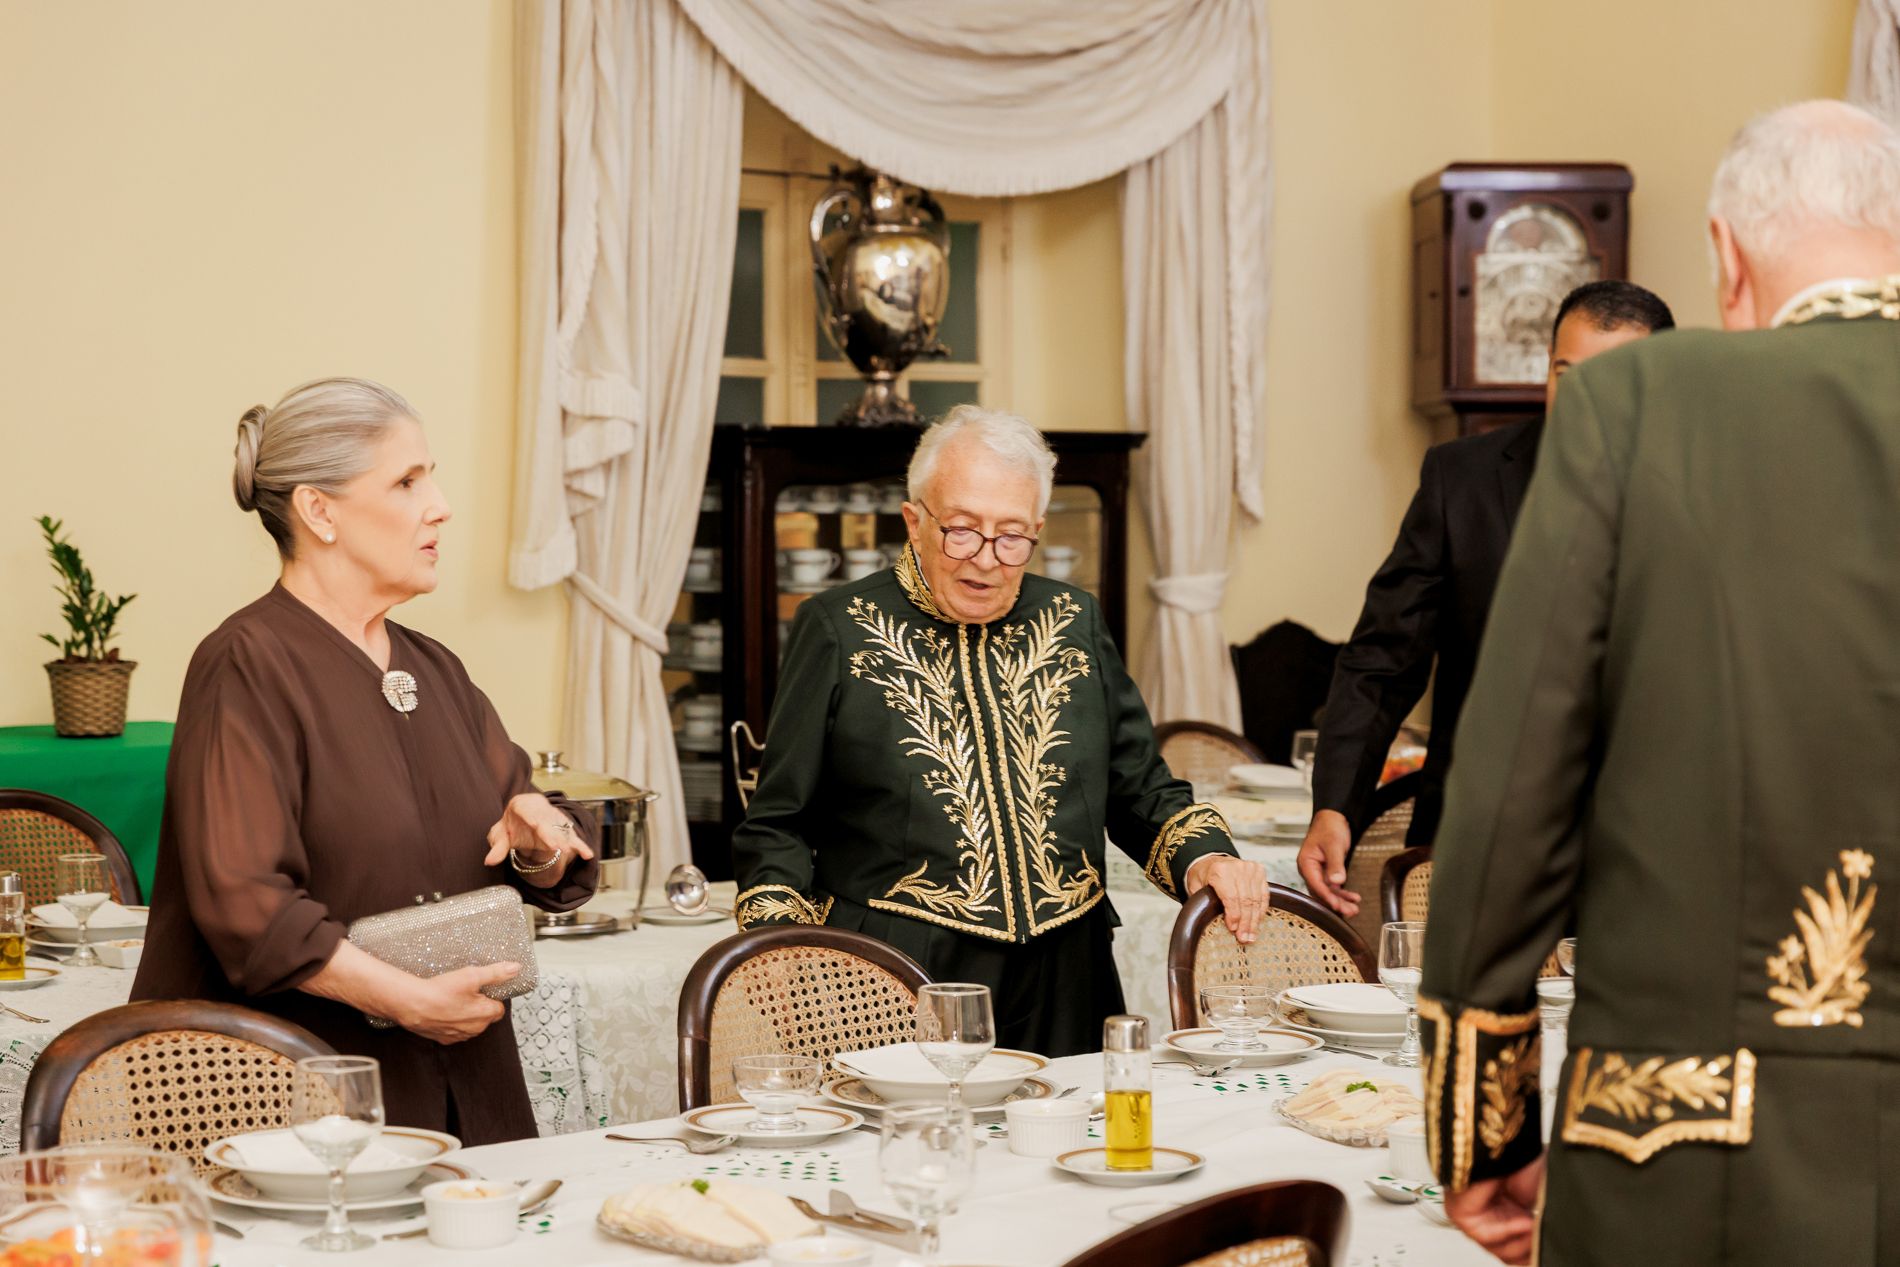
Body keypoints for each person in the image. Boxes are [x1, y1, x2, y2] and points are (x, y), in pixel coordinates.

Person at [1418, 100, 1900, 1265]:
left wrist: (1484, 1133)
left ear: (1727, 255)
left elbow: (1515, 783)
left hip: (1694, 1153)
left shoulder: (1641, 407)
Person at [132, 378, 599, 1145]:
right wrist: (409, 999)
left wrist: (539, 842)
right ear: (320, 511)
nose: (440, 504)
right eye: (408, 481)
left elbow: (534, 823)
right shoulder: (245, 663)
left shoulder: (436, 668)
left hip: (464, 1087)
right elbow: (248, 909)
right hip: (295, 1107)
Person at [731, 405, 1268, 1056]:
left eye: (1012, 536)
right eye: (961, 530)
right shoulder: (839, 626)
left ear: (1037, 530)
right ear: (915, 521)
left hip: (1069, 967)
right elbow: (777, 821)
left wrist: (1204, 856)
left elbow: (1139, 786)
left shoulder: (1074, 618)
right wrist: (782, 939)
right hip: (899, 975)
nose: (985, 559)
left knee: (1077, 1149)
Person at [1299, 280, 1674, 919]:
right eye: (1567, 373)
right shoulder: (1462, 479)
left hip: (1658, 847)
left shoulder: (1709, 492)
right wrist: (1336, 803)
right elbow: (1383, 659)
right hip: (1476, 844)